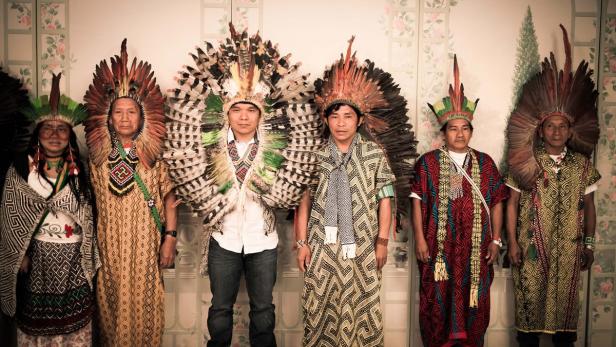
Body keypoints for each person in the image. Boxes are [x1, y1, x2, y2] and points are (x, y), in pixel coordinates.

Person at [165, 24, 322, 346]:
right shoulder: (207, 148)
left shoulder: (280, 148)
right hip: (223, 240)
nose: (244, 116)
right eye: (237, 109)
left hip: (263, 242)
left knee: (263, 310)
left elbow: (300, 184)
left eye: (251, 109)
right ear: (227, 113)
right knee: (220, 309)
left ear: (260, 115)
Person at [296, 37, 417, 347]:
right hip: (322, 245)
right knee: (319, 309)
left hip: (362, 246)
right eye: (334, 116)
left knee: (362, 309)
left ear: (360, 120)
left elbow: (386, 200)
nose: (340, 123)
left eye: (348, 116)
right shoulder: (315, 154)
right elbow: (304, 201)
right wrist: (302, 243)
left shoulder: (375, 155)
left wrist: (382, 242)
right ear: (325, 119)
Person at [505, 25, 600, 347]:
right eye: (550, 126)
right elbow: (511, 203)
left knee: (565, 314)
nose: (556, 131)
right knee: (530, 306)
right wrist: (512, 243)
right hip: (532, 248)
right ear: (541, 129)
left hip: (570, 250)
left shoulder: (582, 166)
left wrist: (588, 243)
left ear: (571, 131)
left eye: (562, 126)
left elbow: (589, 207)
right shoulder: (525, 161)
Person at [82, 39, 178, 346]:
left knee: (148, 308)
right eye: (119, 112)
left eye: (131, 112)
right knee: (109, 313)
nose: (125, 118)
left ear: (143, 117)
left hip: (147, 248)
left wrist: (170, 239)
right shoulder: (96, 160)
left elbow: (169, 199)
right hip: (108, 250)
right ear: (108, 117)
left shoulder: (155, 157)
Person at [411, 56, 508, 347]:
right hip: (439, 249)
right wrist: (419, 239)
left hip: (476, 250)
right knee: (436, 302)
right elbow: (416, 201)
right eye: (453, 129)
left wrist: (497, 241)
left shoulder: (486, 164)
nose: (459, 133)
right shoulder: (428, 163)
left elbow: (497, 202)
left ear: (471, 131)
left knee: (473, 304)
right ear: (444, 133)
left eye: (464, 128)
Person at [0, 73, 99, 346]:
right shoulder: (21, 169)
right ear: (38, 133)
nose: (54, 135)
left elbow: (88, 217)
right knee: (36, 323)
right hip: (38, 261)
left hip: (73, 260)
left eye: (61, 129)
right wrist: (20, 254)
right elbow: (11, 217)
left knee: (74, 325)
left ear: (70, 136)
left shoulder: (81, 172)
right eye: (48, 128)